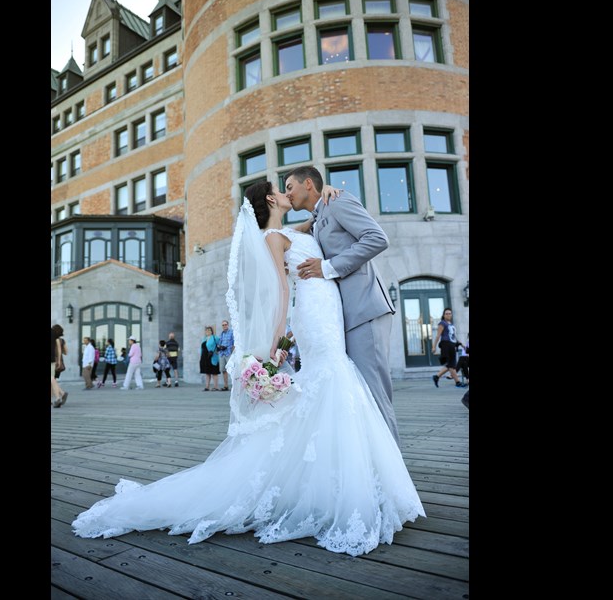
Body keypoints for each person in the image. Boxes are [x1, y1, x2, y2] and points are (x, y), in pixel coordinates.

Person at [72, 182, 424, 557]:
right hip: (314, 315)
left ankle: (342, 481)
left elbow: (317, 218)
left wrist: (328, 194)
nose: (288, 191)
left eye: (291, 186)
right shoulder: (272, 236)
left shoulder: (291, 230)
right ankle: (347, 488)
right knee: (333, 378)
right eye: (281, 189)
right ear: (272, 199)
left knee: (334, 385)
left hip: (328, 307)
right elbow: (280, 291)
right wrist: (275, 344)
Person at [286, 165, 400, 445]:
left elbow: (377, 238)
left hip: (365, 308)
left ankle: (392, 473)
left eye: (290, 187)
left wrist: (328, 267)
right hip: (341, 319)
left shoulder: (336, 201)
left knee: (375, 394)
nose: (287, 194)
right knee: (359, 395)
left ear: (308, 184)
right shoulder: (318, 215)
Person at [431, 308, 466, 389]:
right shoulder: (442, 323)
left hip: (452, 345)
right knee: (451, 365)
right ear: (444, 315)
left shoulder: (451, 324)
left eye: (450, 313)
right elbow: (438, 336)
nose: (448, 315)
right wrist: (434, 346)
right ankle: (457, 382)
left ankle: (436, 376)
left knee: (451, 364)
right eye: (446, 313)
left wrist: (462, 345)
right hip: (446, 345)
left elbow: (454, 337)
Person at [50, 325, 68, 408]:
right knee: (52, 379)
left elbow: (60, 350)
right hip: (53, 359)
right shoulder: (55, 334)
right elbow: (59, 350)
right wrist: (59, 361)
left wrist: (59, 361)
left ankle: (58, 398)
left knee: (52, 379)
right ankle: (61, 394)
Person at [199, 326, 220, 391]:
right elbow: (201, 349)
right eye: (207, 330)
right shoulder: (204, 339)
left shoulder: (215, 337)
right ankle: (207, 387)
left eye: (209, 330)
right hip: (205, 358)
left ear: (212, 331)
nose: (208, 331)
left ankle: (216, 387)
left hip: (213, 357)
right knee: (207, 373)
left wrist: (216, 352)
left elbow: (219, 345)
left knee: (214, 372)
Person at [216, 320, 234, 391]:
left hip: (228, 353)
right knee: (223, 370)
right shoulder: (221, 333)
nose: (224, 326)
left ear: (228, 325)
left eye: (225, 324)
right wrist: (220, 347)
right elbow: (219, 343)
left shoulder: (231, 332)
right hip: (222, 353)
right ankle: (226, 385)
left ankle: (234, 385)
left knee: (231, 369)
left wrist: (233, 352)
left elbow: (234, 343)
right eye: (223, 325)